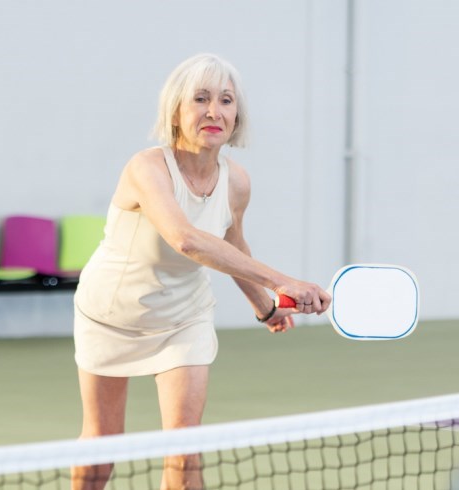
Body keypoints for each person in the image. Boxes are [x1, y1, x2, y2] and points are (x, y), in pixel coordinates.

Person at [70, 53, 330, 489]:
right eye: (201, 99)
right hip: (112, 314)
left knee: (186, 448)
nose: (214, 111)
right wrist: (282, 281)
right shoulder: (147, 168)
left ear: (237, 115)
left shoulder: (237, 181)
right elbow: (185, 238)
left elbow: (233, 244)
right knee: (102, 446)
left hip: (182, 317)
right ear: (176, 111)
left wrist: (266, 307)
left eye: (226, 101)